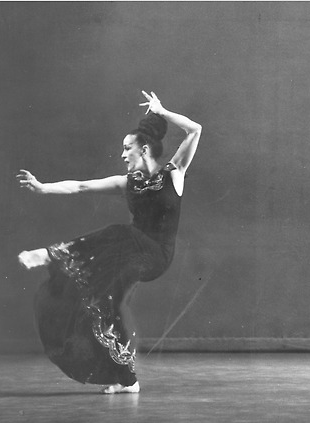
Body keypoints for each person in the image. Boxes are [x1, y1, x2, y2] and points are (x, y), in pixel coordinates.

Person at [17, 91, 202, 393]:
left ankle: (49, 255)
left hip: (156, 255)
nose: (122, 154)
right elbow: (80, 186)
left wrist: (162, 111)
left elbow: (195, 130)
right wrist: (42, 188)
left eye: (126, 148)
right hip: (129, 253)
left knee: (120, 232)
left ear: (143, 148)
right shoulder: (127, 184)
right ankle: (125, 378)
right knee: (102, 300)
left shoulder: (174, 173)